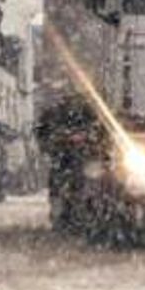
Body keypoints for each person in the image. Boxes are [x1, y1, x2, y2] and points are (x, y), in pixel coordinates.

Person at [35, 94, 101, 233]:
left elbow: (42, 134)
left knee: (81, 187)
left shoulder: (87, 113)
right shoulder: (86, 113)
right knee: (64, 188)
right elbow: (43, 135)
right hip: (69, 160)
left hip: (77, 161)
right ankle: (67, 217)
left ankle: (74, 216)